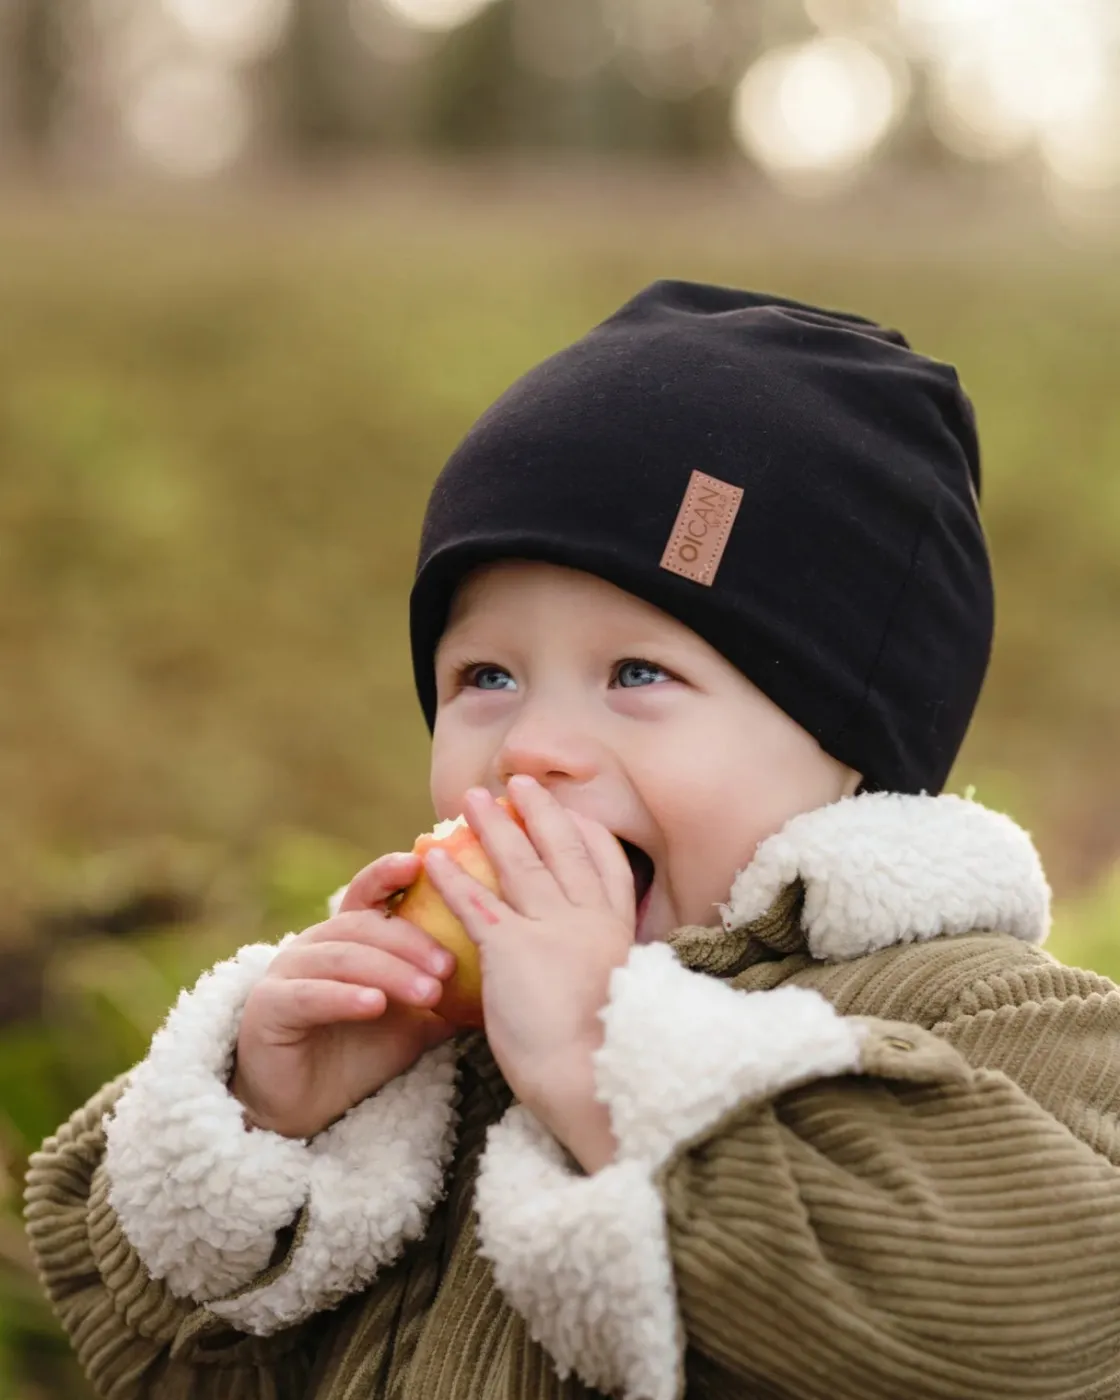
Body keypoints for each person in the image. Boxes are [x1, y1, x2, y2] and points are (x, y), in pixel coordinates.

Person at [24, 281, 1120, 1400]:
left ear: (851, 749)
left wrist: (607, 1069)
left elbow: (1045, 1323)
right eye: (486, 676)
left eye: (637, 672)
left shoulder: (993, 1018)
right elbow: (156, 1360)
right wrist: (277, 1126)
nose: (531, 747)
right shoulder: (436, 1068)